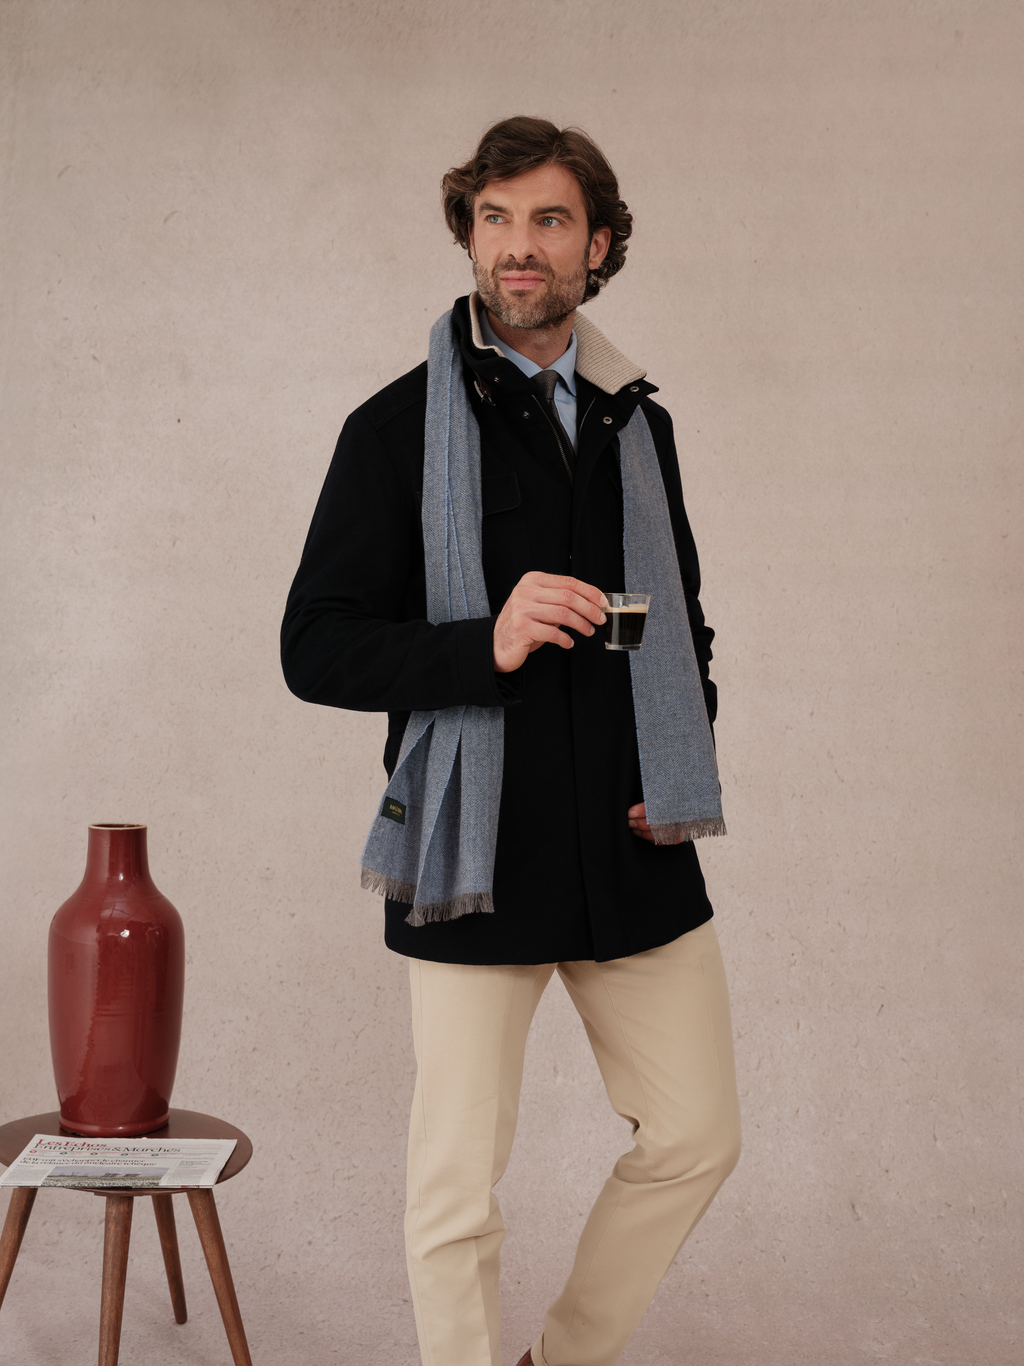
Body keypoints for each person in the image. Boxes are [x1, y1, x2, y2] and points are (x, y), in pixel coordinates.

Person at [281, 115, 741, 1366]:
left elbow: (683, 627)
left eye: (547, 219)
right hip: (473, 850)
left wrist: (675, 766)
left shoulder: (638, 425)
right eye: (494, 218)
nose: (517, 245)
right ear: (468, 236)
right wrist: (479, 642)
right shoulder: (394, 430)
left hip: (634, 845)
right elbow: (313, 646)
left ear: (599, 245)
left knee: (696, 1134)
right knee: (455, 1184)